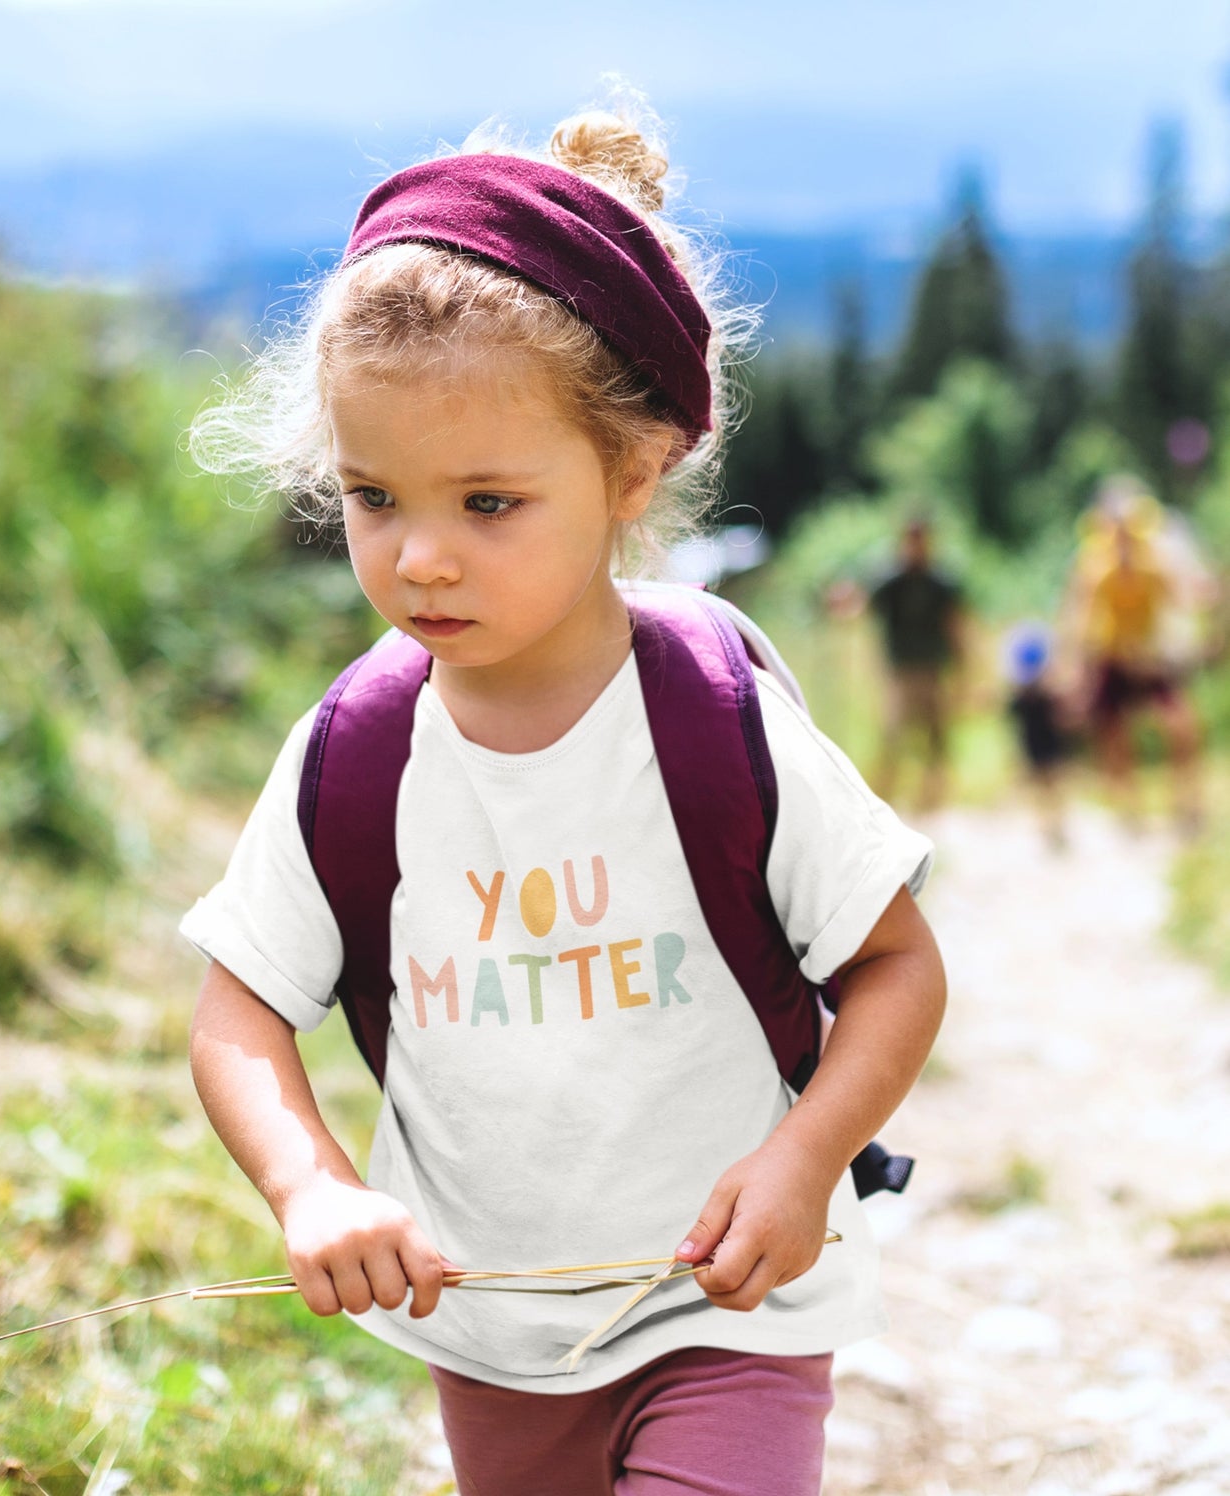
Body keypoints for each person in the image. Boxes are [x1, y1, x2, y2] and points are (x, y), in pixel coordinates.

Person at [181, 103, 947, 1496]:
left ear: (631, 472)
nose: (419, 558)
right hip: (492, 1331)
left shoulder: (716, 719)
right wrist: (311, 1184)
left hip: (734, 1308)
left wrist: (802, 1159)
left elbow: (895, 967)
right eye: (371, 496)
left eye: (487, 503)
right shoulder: (354, 752)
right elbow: (239, 1010)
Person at [1066, 482, 1204, 832]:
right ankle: (1129, 807)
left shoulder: (1154, 566)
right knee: (1113, 734)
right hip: (1112, 656)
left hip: (1149, 656)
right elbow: (1082, 617)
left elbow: (1181, 602)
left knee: (1181, 725)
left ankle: (1185, 802)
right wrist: (1079, 670)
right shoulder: (1096, 568)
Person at [868, 518, 964, 810]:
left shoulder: (940, 582)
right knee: (894, 736)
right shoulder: (890, 581)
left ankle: (931, 801)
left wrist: (962, 668)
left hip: (932, 669)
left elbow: (954, 625)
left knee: (936, 737)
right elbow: (866, 610)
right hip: (900, 672)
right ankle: (883, 798)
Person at [1004, 624, 1072, 850]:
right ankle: (1046, 823)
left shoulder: (1048, 697)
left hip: (1049, 746)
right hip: (1034, 747)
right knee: (1041, 786)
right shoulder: (1022, 699)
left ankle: (1055, 823)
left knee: (1053, 784)